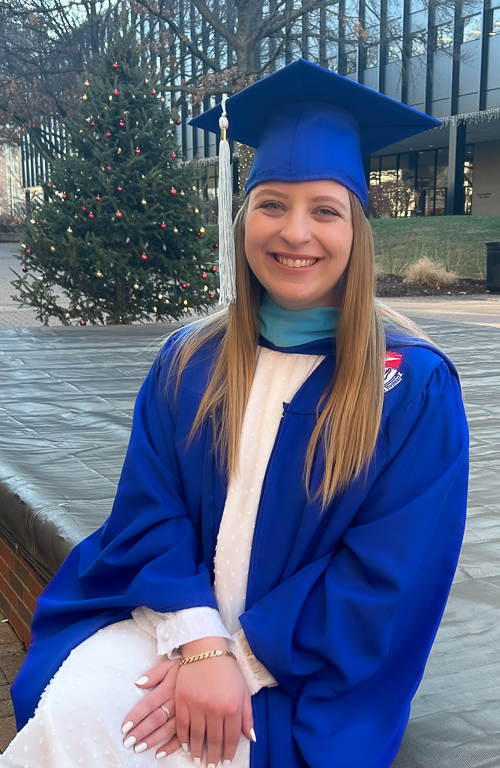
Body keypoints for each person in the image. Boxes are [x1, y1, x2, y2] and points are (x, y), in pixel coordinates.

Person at [4, 59, 468, 768]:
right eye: (273, 203)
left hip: (301, 671)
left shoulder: (409, 388)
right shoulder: (190, 361)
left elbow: (389, 573)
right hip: (170, 617)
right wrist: (198, 640)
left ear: (358, 231)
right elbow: (149, 510)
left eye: (325, 209)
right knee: (72, 715)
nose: (296, 233)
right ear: (243, 215)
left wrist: (241, 661)